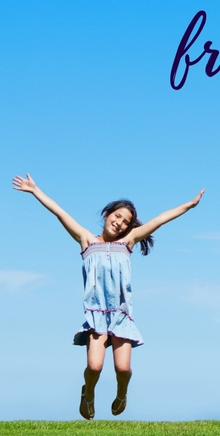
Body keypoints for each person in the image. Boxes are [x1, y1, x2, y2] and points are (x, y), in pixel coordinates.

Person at [12, 173, 203, 420]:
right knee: (94, 366)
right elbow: (60, 212)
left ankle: (122, 393)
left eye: (126, 222)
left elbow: (160, 220)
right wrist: (36, 191)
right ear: (106, 215)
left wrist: (189, 205)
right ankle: (88, 394)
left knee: (123, 369)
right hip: (96, 315)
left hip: (121, 316)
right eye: (117, 216)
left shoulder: (128, 242)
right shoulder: (86, 240)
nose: (120, 223)